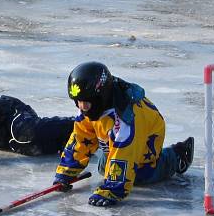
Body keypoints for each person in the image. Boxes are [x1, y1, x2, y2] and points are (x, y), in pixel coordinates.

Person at [53, 61, 194, 206]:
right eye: (78, 102)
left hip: (144, 142)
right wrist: (66, 171)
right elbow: (81, 138)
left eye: (86, 103)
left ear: (100, 96)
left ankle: (176, 156)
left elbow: (124, 153)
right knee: (103, 168)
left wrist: (111, 189)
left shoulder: (125, 118)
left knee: (141, 174)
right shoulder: (90, 107)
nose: (82, 107)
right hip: (112, 139)